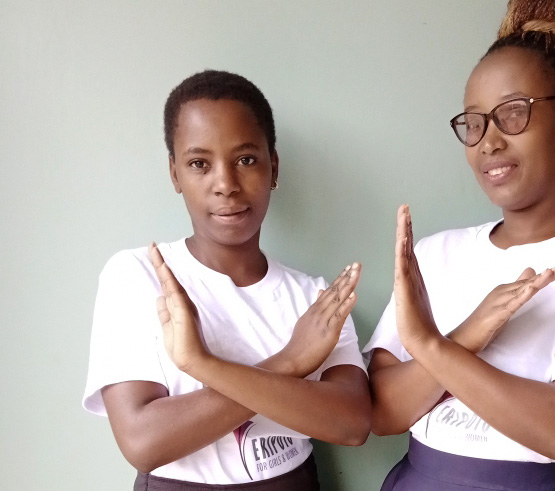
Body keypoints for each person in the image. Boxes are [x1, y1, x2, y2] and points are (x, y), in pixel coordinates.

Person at [364, 1, 555, 490]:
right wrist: (466, 336)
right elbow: (381, 411)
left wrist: (428, 347)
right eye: (474, 122)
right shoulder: (436, 255)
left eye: (513, 114)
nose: (488, 141)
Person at [83, 70, 371, 490]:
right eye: (200, 164)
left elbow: (352, 424)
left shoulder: (315, 299)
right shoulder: (138, 276)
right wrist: (289, 363)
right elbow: (143, 441)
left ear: (273, 168)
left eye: (246, 160)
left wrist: (203, 366)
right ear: (175, 174)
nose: (226, 185)